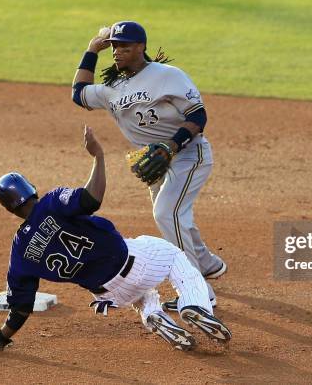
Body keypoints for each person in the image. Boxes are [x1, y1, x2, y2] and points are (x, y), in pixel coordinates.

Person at [0, 126, 231, 352]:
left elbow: (21, 306)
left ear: (9, 208)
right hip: (132, 261)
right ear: (30, 189)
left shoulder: (20, 250)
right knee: (174, 256)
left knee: (140, 295)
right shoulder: (51, 203)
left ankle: (154, 315)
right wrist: (98, 156)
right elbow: (91, 200)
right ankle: (195, 305)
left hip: (109, 293)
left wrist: (0, 337)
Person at [71, 20, 226, 311]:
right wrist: (92, 49)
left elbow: (198, 115)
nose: (117, 52)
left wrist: (171, 146)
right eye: (114, 47)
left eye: (124, 47)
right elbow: (78, 93)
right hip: (153, 163)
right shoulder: (111, 88)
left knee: (166, 213)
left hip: (188, 155)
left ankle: (198, 291)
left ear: (141, 47)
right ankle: (207, 263)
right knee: (175, 215)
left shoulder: (168, 75)